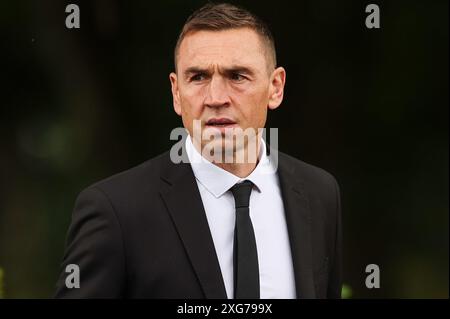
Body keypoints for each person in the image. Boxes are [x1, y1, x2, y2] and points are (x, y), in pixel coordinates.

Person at [55, 2, 342, 299]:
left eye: (237, 76)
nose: (216, 97)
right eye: (198, 77)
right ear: (176, 93)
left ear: (275, 87)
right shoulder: (115, 210)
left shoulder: (318, 194)